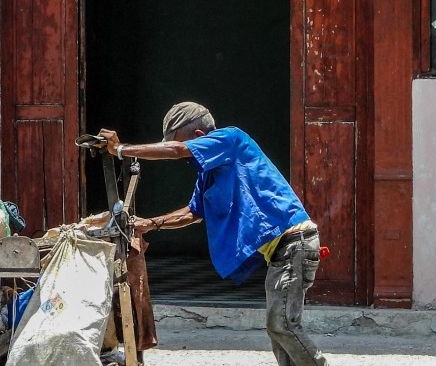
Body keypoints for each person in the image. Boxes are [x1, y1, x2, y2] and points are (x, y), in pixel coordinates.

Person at [98, 102, 328, 366]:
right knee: (278, 331)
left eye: (187, 148)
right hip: (280, 253)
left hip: (294, 243)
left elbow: (177, 150)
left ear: (198, 137)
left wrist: (121, 149)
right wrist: (150, 224)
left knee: (283, 325)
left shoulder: (231, 138)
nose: (187, 158)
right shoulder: (208, 173)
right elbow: (192, 213)